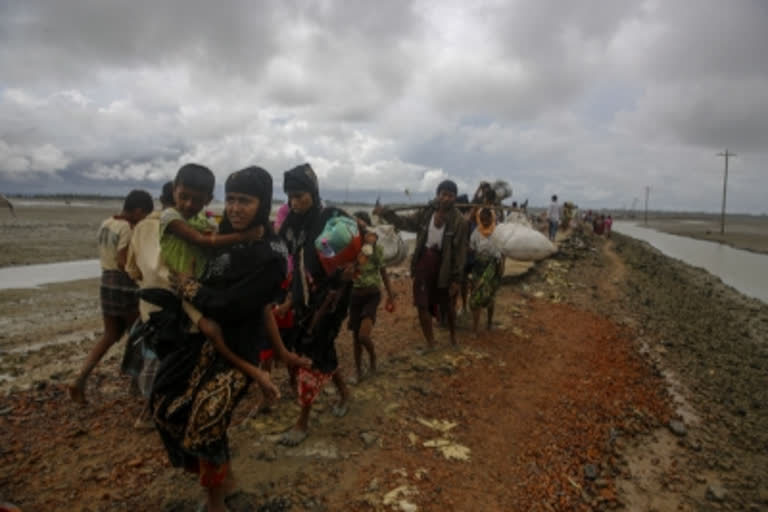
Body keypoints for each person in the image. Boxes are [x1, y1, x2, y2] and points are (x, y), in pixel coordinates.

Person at [152, 166, 299, 512]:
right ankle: (224, 477)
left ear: (262, 203)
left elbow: (233, 305)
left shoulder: (271, 255)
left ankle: (215, 502)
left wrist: (187, 286)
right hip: (198, 341)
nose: (234, 209)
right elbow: (186, 238)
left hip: (238, 347)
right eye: (230, 200)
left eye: (245, 201)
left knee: (207, 421)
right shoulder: (224, 231)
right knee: (164, 405)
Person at [277, 163, 355, 446]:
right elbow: (293, 261)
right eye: (291, 197)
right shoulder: (293, 225)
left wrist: (352, 267)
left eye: (300, 195)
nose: (295, 203)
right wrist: (288, 299)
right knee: (322, 349)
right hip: (305, 298)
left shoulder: (330, 217)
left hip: (331, 299)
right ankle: (345, 393)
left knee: (309, 353)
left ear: (313, 191)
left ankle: (303, 422)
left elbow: (367, 239)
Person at [68, 190, 154, 404]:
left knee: (110, 334)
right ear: (138, 211)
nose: (143, 220)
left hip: (106, 282)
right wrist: (142, 278)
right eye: (144, 216)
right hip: (124, 284)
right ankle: (136, 385)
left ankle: (80, 378)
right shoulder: (127, 227)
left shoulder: (106, 222)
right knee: (139, 335)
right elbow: (123, 261)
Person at [374, 180, 468, 349]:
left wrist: (456, 279)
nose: (446, 198)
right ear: (438, 195)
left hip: (445, 267)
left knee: (448, 305)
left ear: (455, 198)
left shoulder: (459, 221)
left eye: (450, 195)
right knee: (421, 304)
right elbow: (405, 223)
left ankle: (453, 338)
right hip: (424, 262)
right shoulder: (426, 213)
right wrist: (387, 214)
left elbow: (461, 253)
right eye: (443, 194)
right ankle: (431, 343)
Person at [121, 181, 176, 428]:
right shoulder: (185, 227)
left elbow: (132, 270)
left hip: (149, 305)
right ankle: (149, 413)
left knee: (152, 355)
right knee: (165, 359)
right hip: (176, 305)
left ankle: (150, 407)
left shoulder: (142, 227)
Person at [348, 211, 395, 383]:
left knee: (363, 336)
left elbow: (383, 272)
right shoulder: (351, 248)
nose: (360, 230)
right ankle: (358, 370)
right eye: (356, 227)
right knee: (355, 337)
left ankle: (373, 357)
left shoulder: (376, 249)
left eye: (362, 227)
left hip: (371, 296)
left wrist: (391, 295)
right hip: (354, 296)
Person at [469, 208, 503, 335]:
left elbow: (501, 252)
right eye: (482, 219)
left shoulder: (498, 232)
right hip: (478, 267)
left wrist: (500, 269)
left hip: (492, 268)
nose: (485, 221)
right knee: (476, 296)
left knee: (490, 296)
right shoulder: (476, 232)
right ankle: (475, 328)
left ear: (492, 218)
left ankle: (489, 322)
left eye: (487, 218)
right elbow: (471, 247)